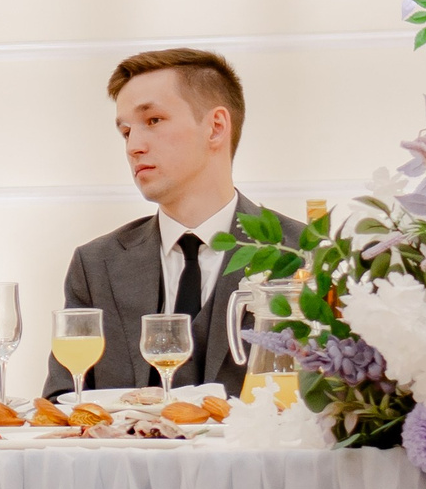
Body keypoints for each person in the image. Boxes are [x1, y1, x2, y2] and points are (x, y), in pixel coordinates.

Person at [44, 48, 304, 397]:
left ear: (215, 128)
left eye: (152, 121)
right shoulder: (95, 265)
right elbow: (61, 406)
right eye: (125, 132)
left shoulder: (304, 254)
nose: (133, 146)